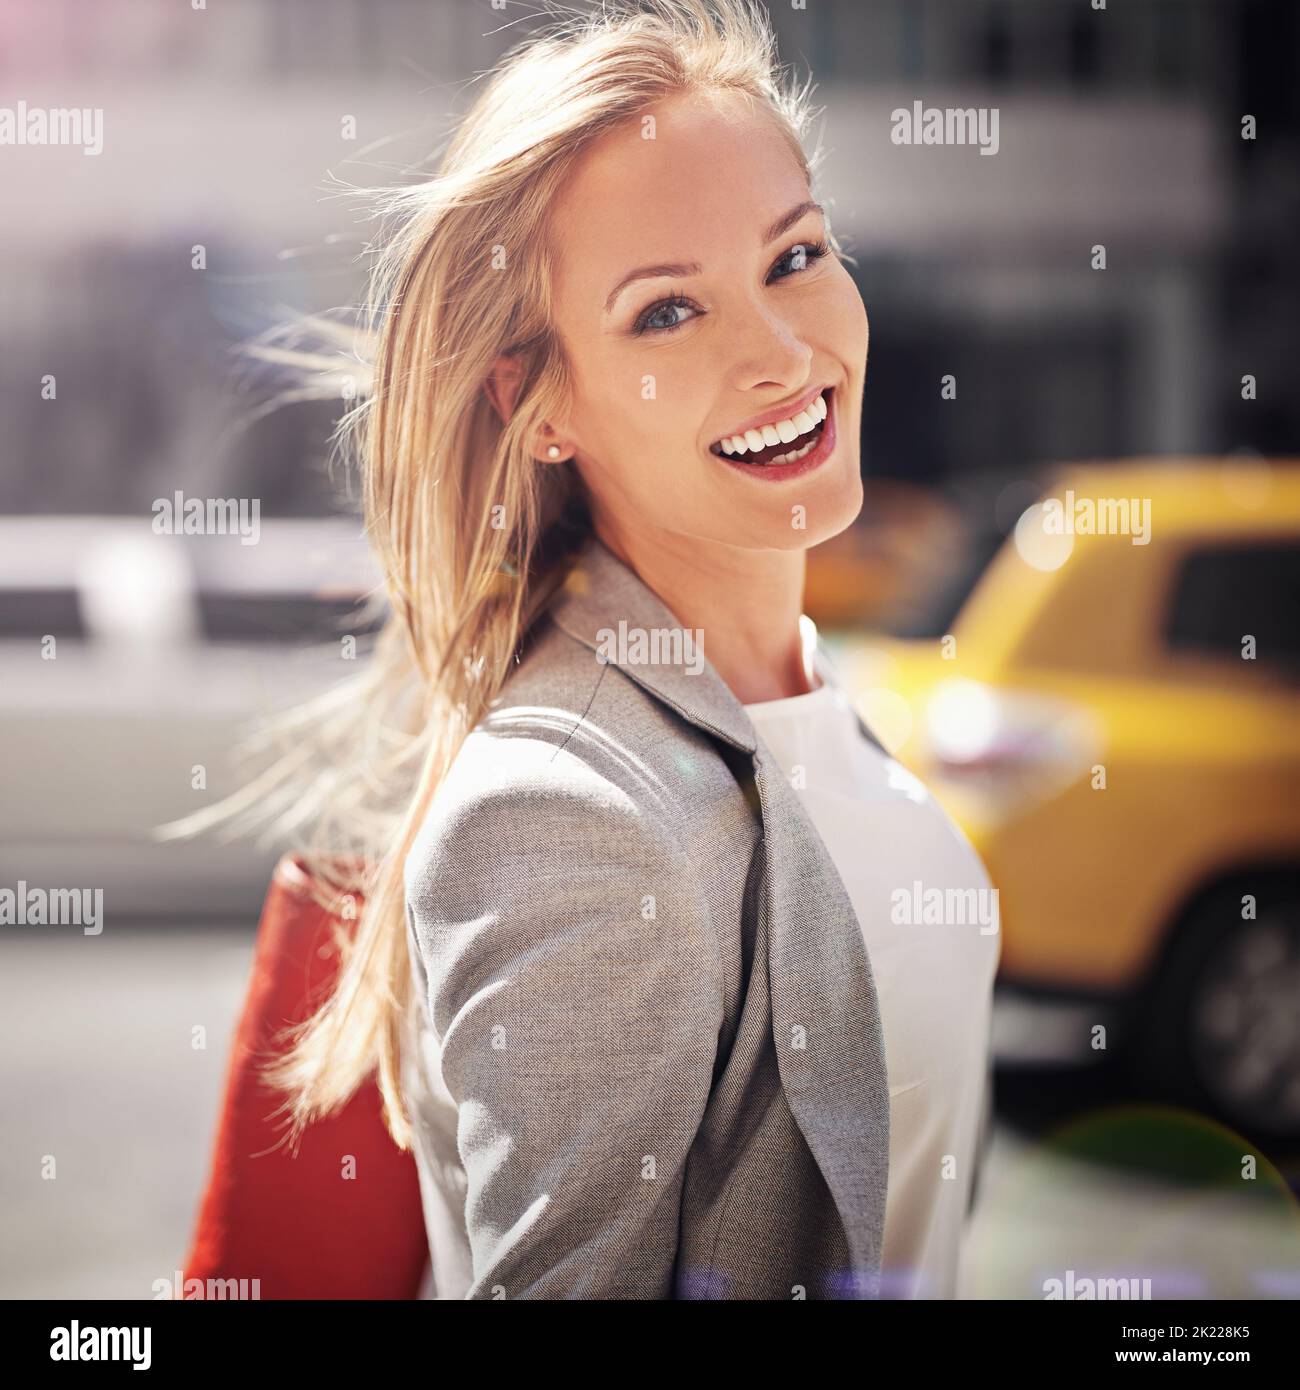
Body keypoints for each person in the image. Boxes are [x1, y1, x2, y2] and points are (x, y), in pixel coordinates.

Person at [189, 0, 999, 1300]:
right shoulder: (564, 817)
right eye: (668, 314)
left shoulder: (796, 696)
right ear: (541, 398)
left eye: (794, 256)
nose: (784, 351)